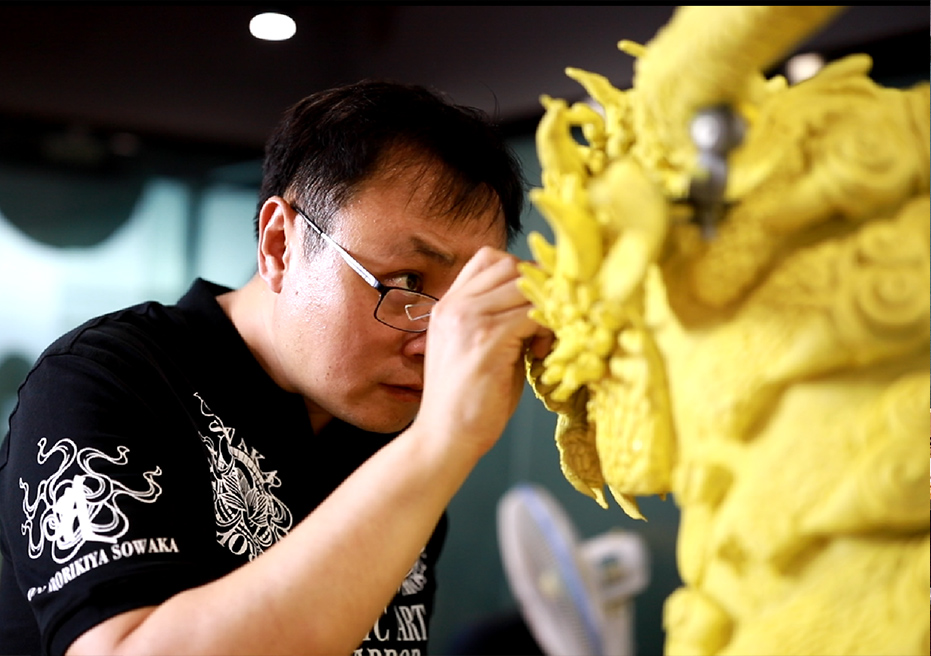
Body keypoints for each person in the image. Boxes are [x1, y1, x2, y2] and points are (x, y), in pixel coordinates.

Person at [0, 79, 553, 656]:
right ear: (279, 244)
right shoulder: (104, 380)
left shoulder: (386, 432)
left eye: (462, 299)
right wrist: (439, 443)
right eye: (407, 281)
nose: (435, 343)